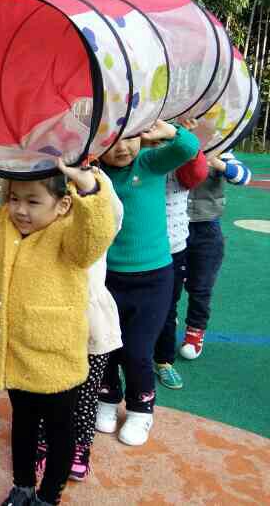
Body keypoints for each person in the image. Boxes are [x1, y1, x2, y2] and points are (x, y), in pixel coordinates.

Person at [0, 145, 117, 506]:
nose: (20, 209)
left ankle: (49, 496)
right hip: (15, 355)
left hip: (56, 361)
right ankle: (22, 487)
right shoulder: (1, 226)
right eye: (14, 198)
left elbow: (95, 236)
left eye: (33, 202)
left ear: (62, 205)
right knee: (22, 423)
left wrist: (89, 190)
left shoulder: (69, 238)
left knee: (60, 432)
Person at [96, 120, 199, 447]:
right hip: (107, 276)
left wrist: (169, 131)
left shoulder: (149, 162)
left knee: (137, 350)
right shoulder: (96, 173)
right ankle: (108, 398)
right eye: (113, 140)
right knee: (106, 345)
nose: (122, 147)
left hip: (153, 278)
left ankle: (141, 410)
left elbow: (188, 148)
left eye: (130, 137)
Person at [36, 168, 124, 483]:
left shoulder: (96, 223)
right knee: (47, 386)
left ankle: (80, 445)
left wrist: (91, 184)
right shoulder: (45, 221)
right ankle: (43, 439)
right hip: (51, 319)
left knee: (86, 392)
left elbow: (112, 215)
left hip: (90, 321)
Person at [180, 150, 252, 359]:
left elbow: (244, 176)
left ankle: (195, 332)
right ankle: (165, 322)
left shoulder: (221, 151)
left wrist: (217, 162)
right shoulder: (175, 147)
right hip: (173, 226)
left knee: (201, 286)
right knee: (169, 283)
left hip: (207, 230)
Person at [153, 140, 208, 389]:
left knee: (168, 308)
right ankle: (119, 359)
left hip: (173, 249)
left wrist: (181, 136)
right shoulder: (138, 159)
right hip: (137, 250)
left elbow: (196, 172)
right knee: (124, 307)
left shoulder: (181, 161)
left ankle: (163, 360)